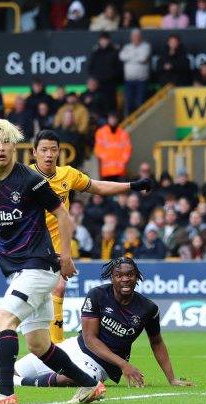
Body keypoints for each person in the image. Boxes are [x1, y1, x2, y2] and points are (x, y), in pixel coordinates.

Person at [0, 119, 104, 404]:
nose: (1, 147)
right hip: (18, 270)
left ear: (15, 147)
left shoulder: (31, 180)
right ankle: (90, 385)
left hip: (38, 266)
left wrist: (65, 256)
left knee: (2, 322)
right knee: (39, 345)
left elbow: (63, 215)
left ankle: (5, 393)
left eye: (7, 142)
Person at [0, 258, 193, 394]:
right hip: (77, 347)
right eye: (120, 275)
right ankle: (8, 379)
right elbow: (90, 339)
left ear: (137, 277)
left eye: (130, 275)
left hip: (103, 365)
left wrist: (171, 378)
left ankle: (15, 384)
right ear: (112, 277)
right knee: (18, 368)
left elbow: (157, 342)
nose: (125, 279)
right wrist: (125, 365)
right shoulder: (98, 295)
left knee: (73, 379)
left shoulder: (148, 308)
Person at [29, 129, 154, 344]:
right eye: (44, 150)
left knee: (59, 287)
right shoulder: (25, 176)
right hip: (31, 242)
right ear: (34, 152)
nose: (49, 154)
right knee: (34, 298)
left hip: (58, 243)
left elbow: (98, 187)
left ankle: (56, 346)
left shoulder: (67, 174)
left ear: (59, 152)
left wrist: (132, 185)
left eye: (53, 150)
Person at [119, 28, 151, 115]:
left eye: (137, 36)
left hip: (141, 81)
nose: (135, 38)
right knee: (128, 104)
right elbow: (121, 57)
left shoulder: (146, 46)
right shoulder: (127, 47)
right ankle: (128, 124)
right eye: (134, 36)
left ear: (140, 37)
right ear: (131, 38)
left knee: (140, 103)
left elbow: (143, 58)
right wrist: (136, 56)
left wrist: (129, 57)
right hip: (129, 80)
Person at [93, 112, 132, 180]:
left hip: (120, 171)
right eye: (111, 118)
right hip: (106, 171)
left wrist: (123, 161)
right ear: (108, 119)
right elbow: (98, 149)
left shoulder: (123, 134)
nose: (113, 120)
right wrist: (106, 158)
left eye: (114, 118)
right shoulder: (101, 133)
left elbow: (128, 149)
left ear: (117, 120)